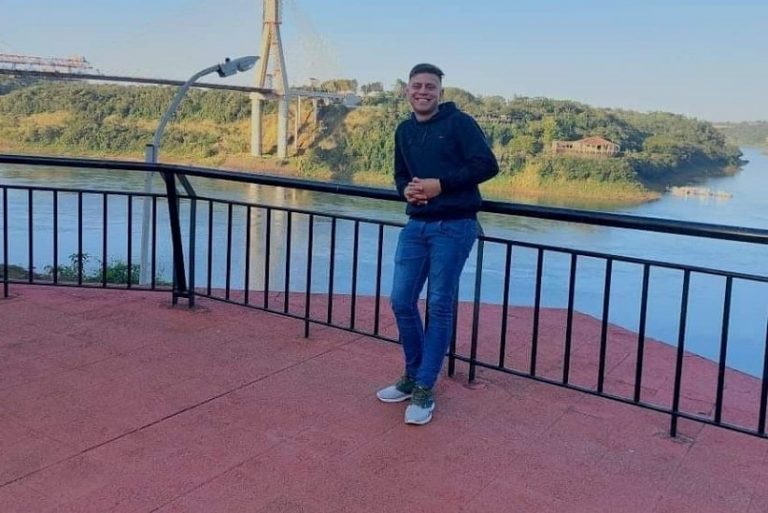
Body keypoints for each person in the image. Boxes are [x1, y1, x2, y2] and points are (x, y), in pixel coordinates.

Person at [376, 63, 499, 425]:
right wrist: (407, 190)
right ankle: (413, 374)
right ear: (407, 91)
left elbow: (487, 165)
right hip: (417, 225)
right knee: (401, 301)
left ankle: (425, 387)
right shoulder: (404, 130)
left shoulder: (459, 123)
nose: (423, 91)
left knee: (440, 305)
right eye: (417, 86)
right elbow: (401, 174)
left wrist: (439, 185)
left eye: (430, 86)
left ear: (440, 93)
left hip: (455, 225)